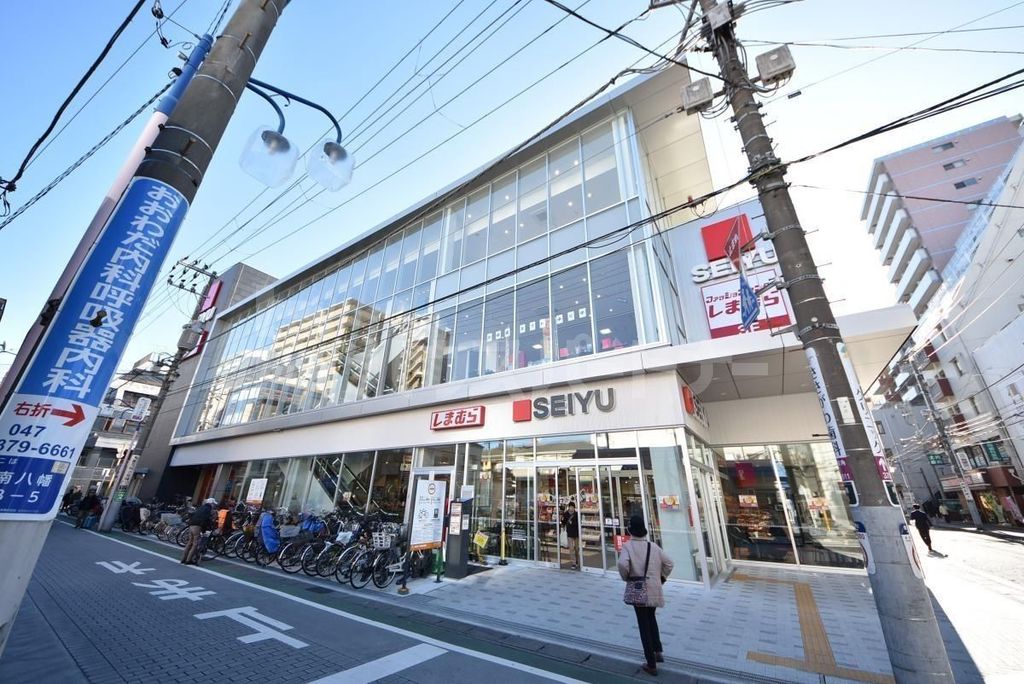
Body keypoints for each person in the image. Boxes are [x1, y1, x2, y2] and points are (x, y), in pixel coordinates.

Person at [618, 515, 674, 676]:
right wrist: (661, 578)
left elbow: (622, 564)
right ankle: (658, 651)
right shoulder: (653, 546)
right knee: (651, 619)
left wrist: (626, 577)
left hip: (638, 590)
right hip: (654, 589)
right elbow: (669, 563)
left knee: (643, 625)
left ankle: (651, 663)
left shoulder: (628, 547)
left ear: (630, 530)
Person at [181, 498, 217, 564]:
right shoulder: (208, 509)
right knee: (195, 544)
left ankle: (183, 559)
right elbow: (206, 519)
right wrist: (206, 529)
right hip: (197, 526)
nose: (214, 505)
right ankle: (188, 560)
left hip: (191, 524)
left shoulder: (201, 507)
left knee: (190, 542)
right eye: (214, 504)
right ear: (211, 504)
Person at [561, 501, 580, 569]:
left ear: (574, 508)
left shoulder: (577, 514)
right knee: (571, 549)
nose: (571, 508)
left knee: (576, 548)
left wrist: (572, 523)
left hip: (576, 533)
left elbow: (578, 523)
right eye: (570, 507)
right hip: (569, 533)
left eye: (572, 507)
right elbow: (563, 522)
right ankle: (573, 563)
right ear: (568, 507)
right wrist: (562, 521)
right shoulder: (566, 514)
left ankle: (577, 560)